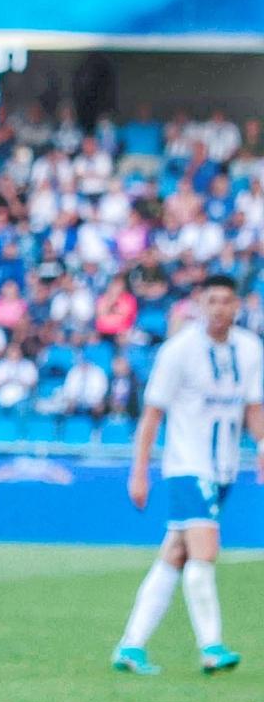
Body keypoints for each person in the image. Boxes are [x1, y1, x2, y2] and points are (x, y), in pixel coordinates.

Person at [112, 274, 262, 676]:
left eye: (226, 301)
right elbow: (152, 415)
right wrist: (139, 471)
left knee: (176, 554)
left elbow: (253, 408)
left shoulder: (249, 349)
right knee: (204, 551)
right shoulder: (179, 351)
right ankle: (211, 646)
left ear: (238, 306)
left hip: (225, 467)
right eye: (211, 300)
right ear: (200, 305)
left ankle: (130, 646)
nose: (219, 308)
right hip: (187, 465)